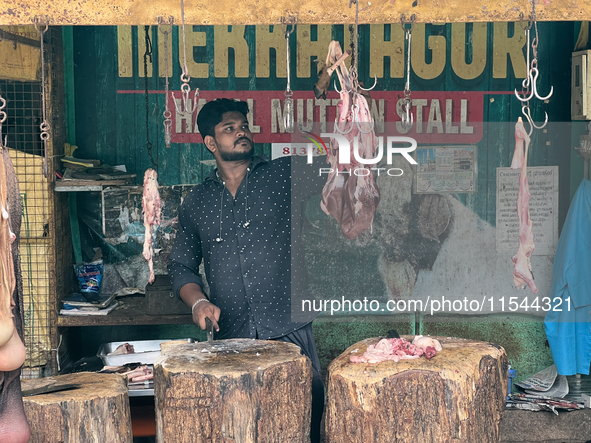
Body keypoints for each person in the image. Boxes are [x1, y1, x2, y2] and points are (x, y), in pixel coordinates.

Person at [168, 98, 325, 442]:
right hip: (231, 336)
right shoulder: (197, 202)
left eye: (243, 126)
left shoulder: (284, 175)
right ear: (211, 143)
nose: (241, 132)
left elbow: (342, 166)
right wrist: (198, 303)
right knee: (241, 427)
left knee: (305, 418)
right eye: (229, 128)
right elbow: (180, 266)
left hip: (288, 327)